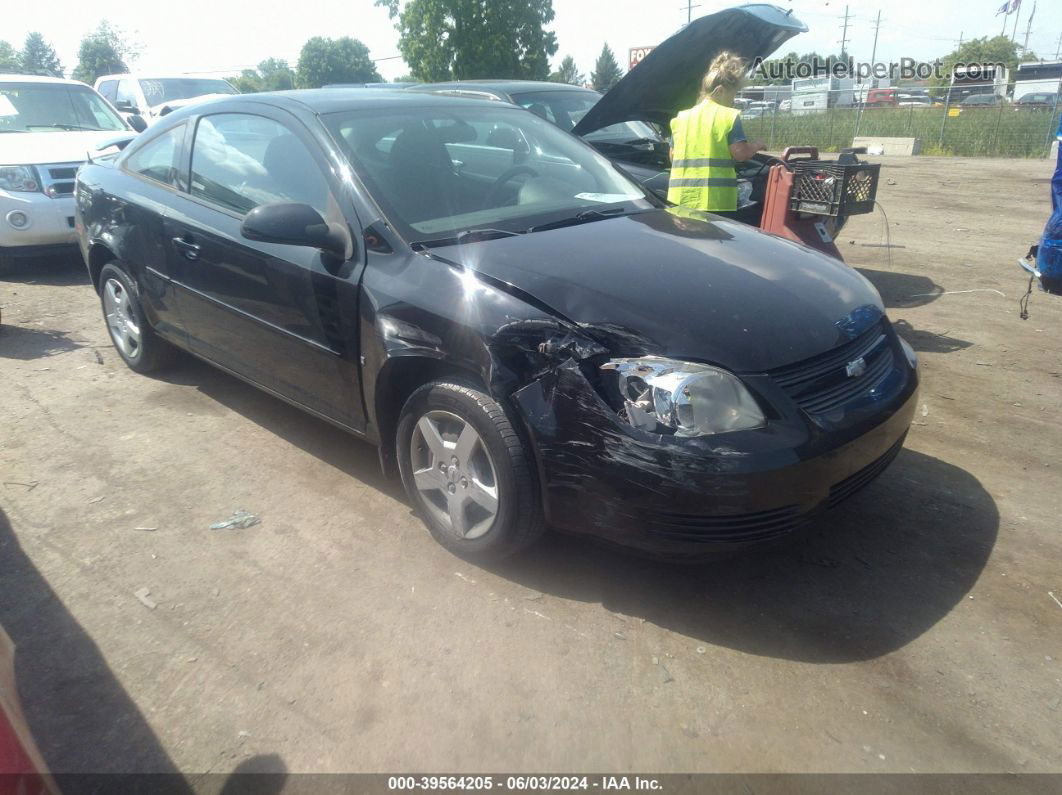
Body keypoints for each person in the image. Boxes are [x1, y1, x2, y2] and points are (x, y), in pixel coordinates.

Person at [667, 52, 767, 216]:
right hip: (715, 201)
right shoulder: (728, 116)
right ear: (720, 91)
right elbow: (740, 154)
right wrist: (757, 145)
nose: (733, 100)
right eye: (733, 94)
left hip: (681, 200)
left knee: (687, 242)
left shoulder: (681, 118)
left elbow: (673, 157)